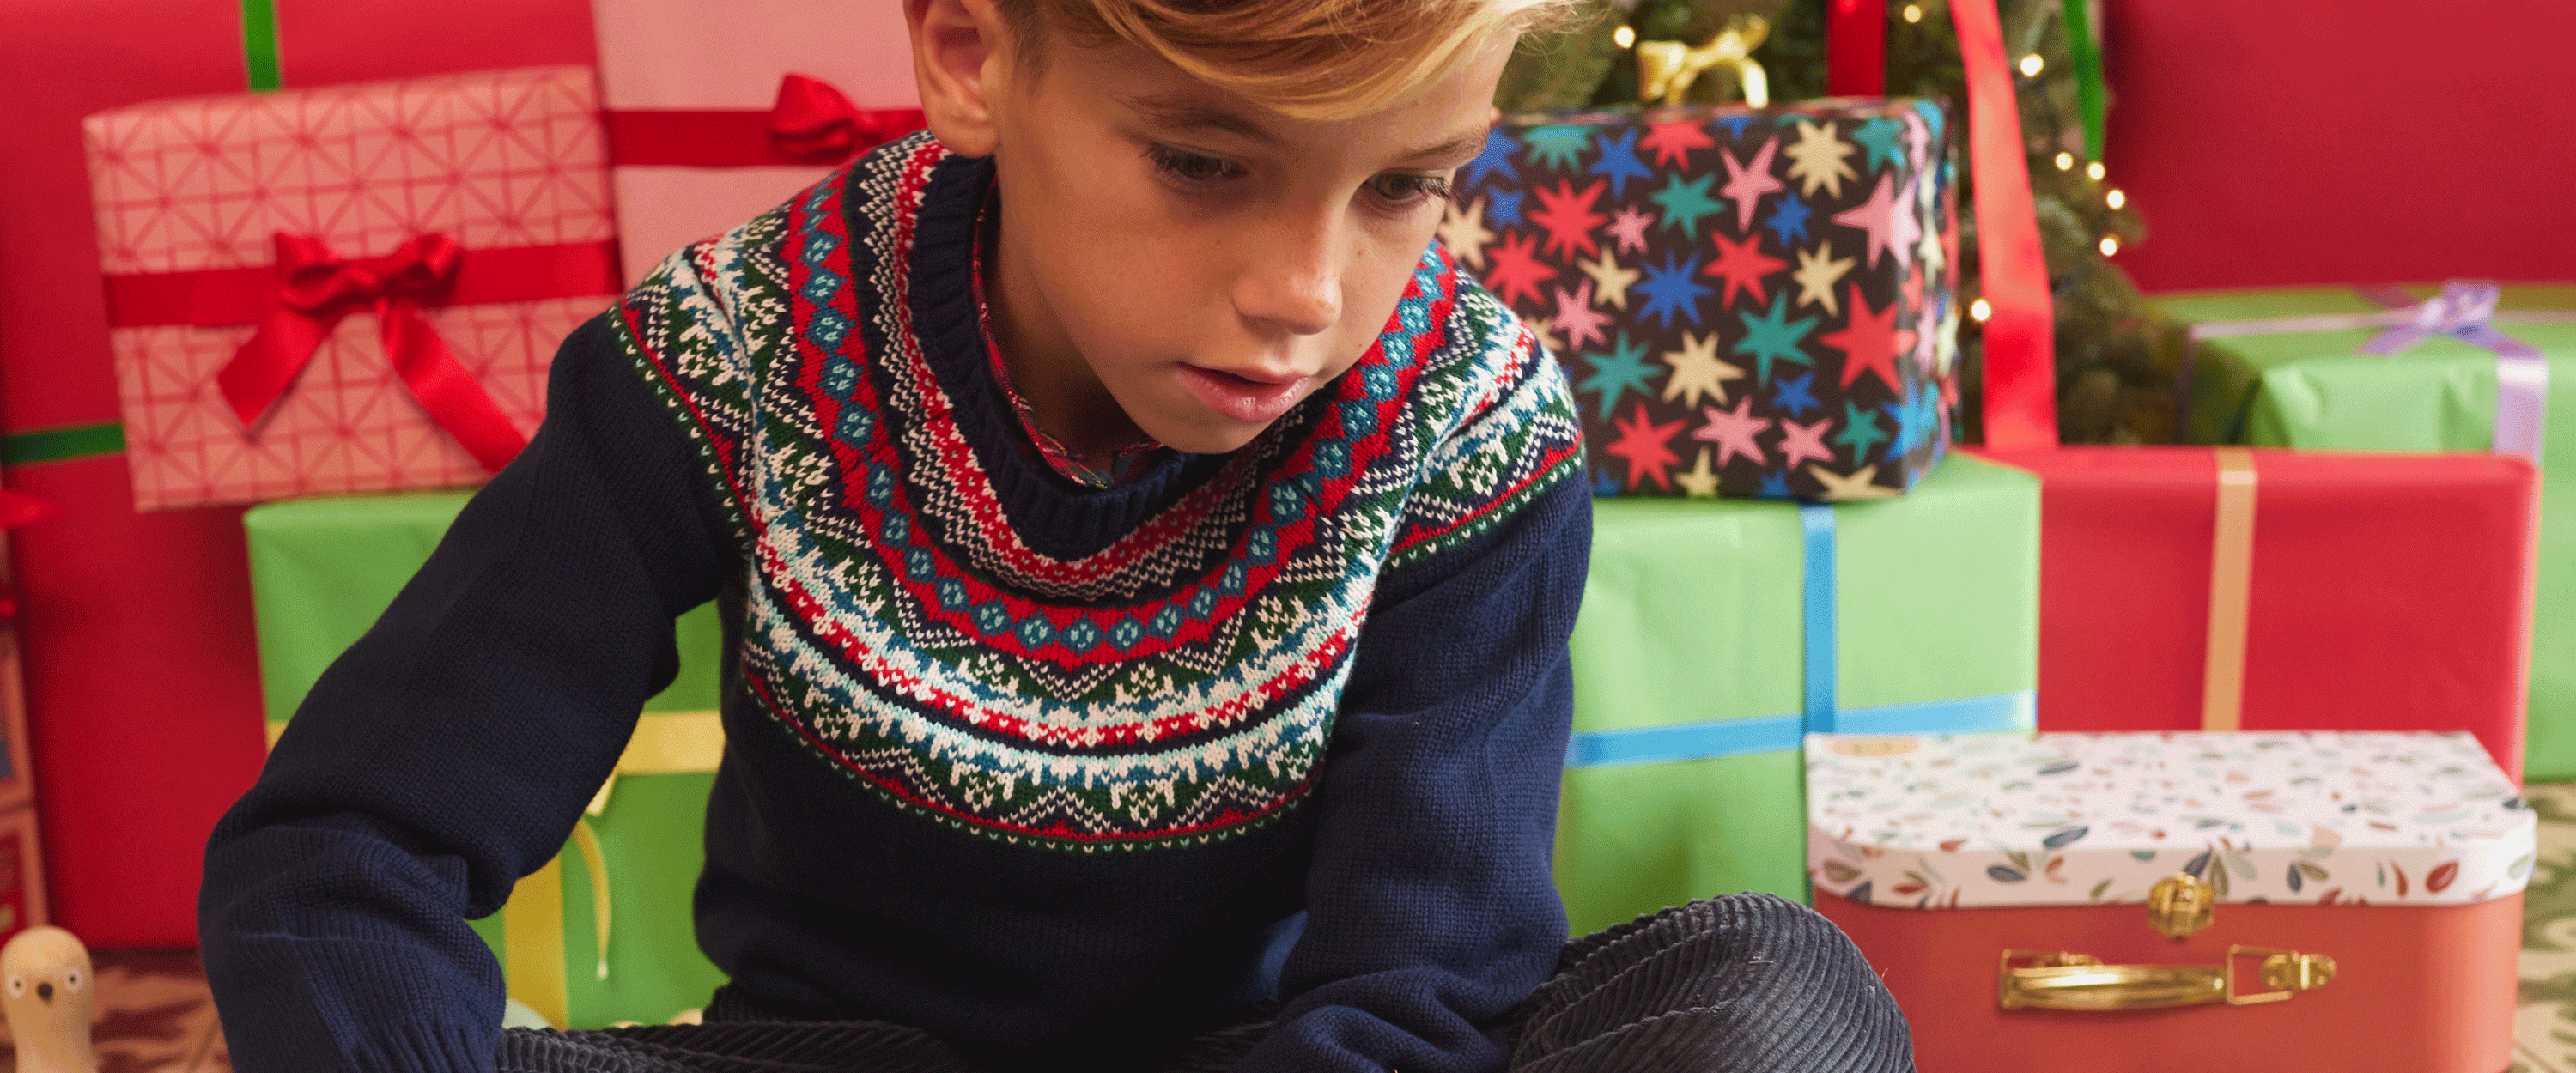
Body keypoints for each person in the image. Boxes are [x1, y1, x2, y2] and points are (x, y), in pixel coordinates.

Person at [197, 0, 1916, 1070]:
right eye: (1201, 162)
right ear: (970, 51)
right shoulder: (736, 359)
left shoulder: (1465, 425)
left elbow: (1429, 978)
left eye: (1402, 186)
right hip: (844, 1058)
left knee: (1773, 990)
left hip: (1282, 1053)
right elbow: (345, 842)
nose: (1305, 293)